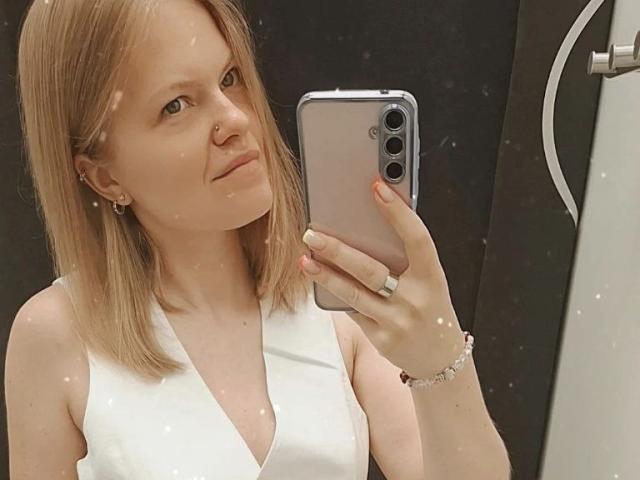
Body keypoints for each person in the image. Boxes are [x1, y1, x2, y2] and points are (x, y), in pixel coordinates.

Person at [5, 0, 511, 479]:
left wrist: (439, 355)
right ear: (104, 176)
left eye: (230, 78)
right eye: (176, 106)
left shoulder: (335, 297)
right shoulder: (55, 336)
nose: (236, 119)